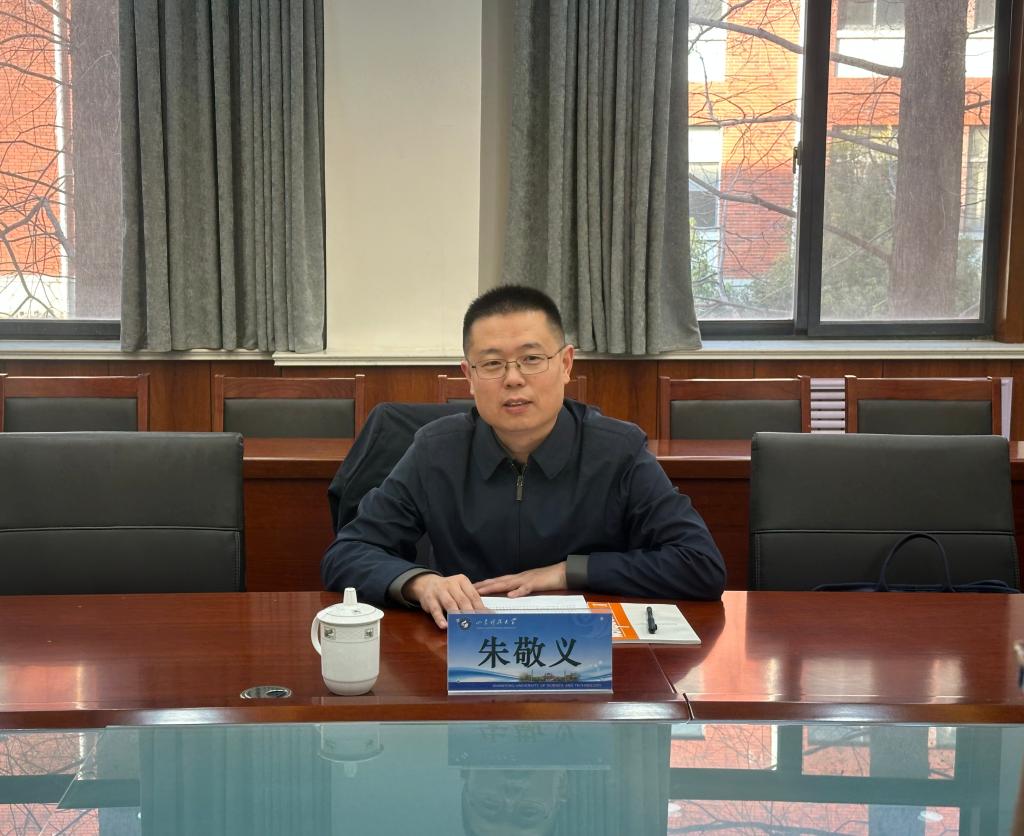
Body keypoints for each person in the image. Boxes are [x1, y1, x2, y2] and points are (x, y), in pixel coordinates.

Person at [321, 285, 725, 627]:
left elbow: (700, 564)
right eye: (492, 363)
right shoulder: (435, 450)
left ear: (565, 364)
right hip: (466, 649)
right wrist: (419, 582)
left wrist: (568, 572)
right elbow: (347, 552)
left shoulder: (618, 450)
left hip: (583, 654)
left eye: (532, 359)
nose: (513, 378)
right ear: (469, 376)